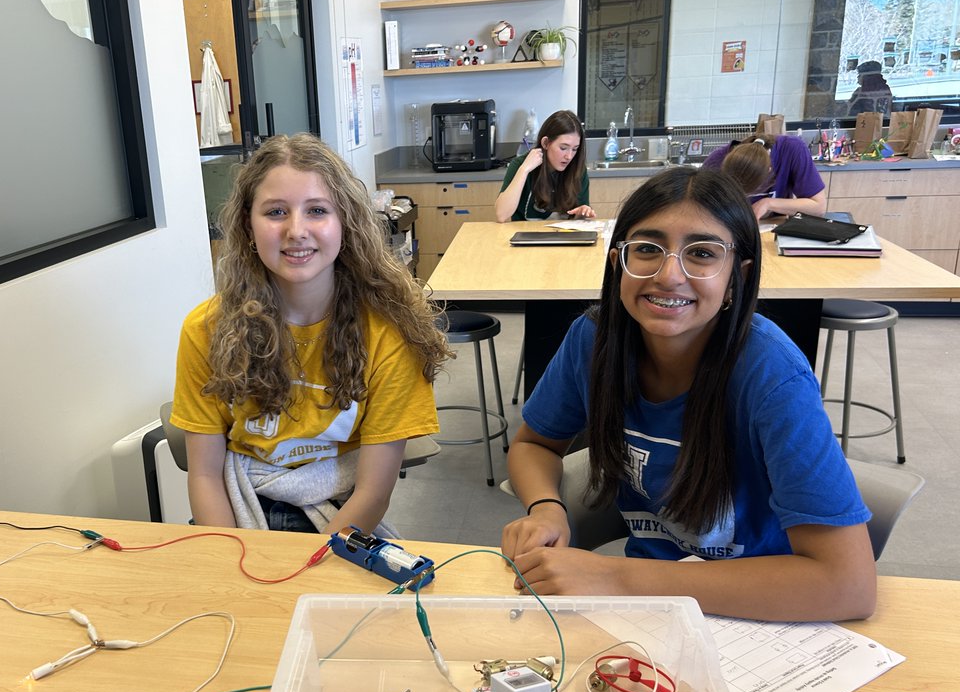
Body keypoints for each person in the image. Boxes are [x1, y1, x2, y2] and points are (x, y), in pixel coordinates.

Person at [500, 166, 876, 623]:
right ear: (618, 260)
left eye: (701, 253)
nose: (669, 275)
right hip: (652, 605)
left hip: (763, 608)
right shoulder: (594, 339)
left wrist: (616, 578)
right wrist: (546, 509)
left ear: (737, 276)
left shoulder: (771, 372)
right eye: (646, 249)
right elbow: (534, 444)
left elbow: (848, 585)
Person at [171, 133, 451, 536]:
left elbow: (372, 493)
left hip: (340, 518)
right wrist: (229, 561)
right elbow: (204, 476)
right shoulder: (206, 329)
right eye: (276, 212)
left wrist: (308, 570)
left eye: (317, 210)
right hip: (234, 512)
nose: (296, 230)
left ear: (345, 223)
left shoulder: (390, 333)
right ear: (248, 226)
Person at [494, 110, 594, 222]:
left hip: (563, 237)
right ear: (545, 143)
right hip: (525, 236)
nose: (569, 156)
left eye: (575, 149)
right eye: (563, 148)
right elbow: (501, 215)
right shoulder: (520, 165)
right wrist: (524, 170)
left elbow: (579, 217)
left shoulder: (578, 170)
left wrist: (582, 214)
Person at [702, 132, 826, 220]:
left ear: (769, 170)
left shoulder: (791, 149)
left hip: (773, 230)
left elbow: (818, 207)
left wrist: (767, 203)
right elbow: (698, 210)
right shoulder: (715, 162)